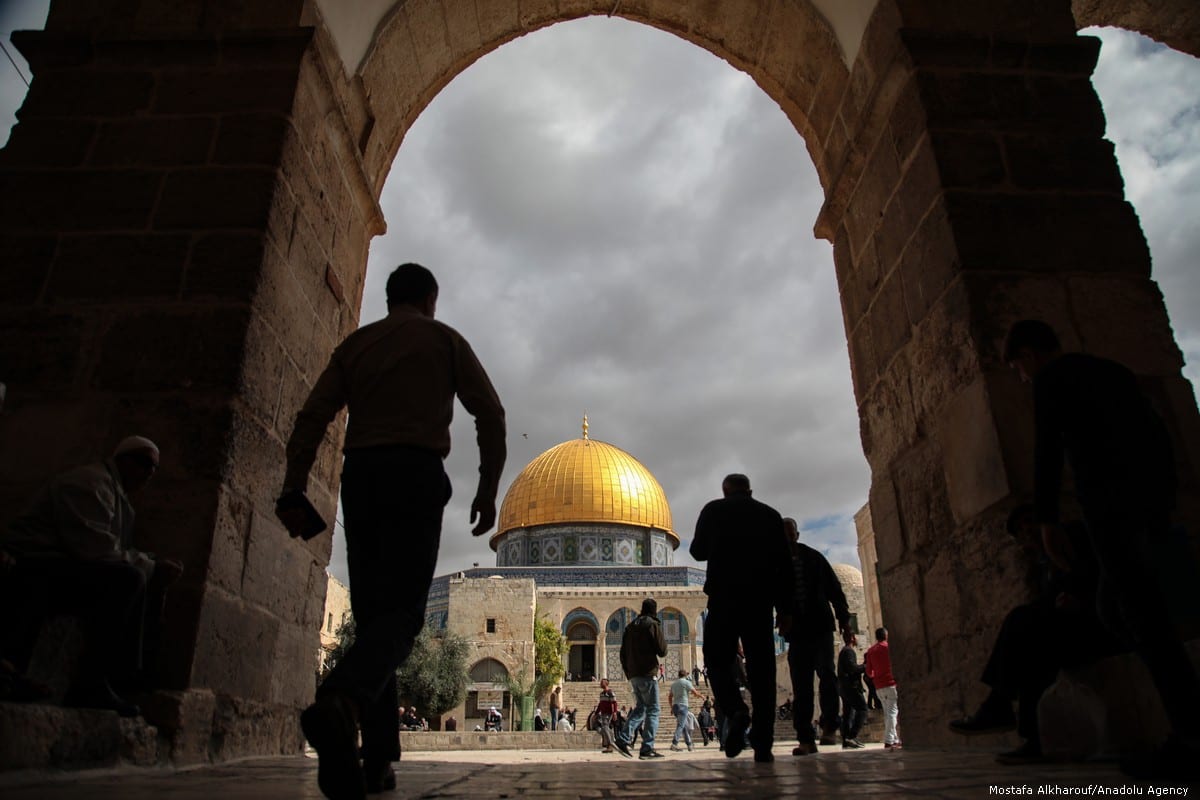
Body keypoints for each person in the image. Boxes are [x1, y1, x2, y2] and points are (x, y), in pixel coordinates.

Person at [281, 263, 506, 800]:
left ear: (388, 298)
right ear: (431, 299)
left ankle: (376, 758)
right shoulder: (443, 340)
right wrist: (486, 487)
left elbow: (312, 416)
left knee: (376, 616)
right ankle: (341, 698)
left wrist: (294, 484)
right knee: (403, 618)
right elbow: (491, 414)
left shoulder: (357, 346)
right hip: (416, 474)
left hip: (361, 477)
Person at [1004, 319, 1200, 776]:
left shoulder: (1052, 379)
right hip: (1149, 508)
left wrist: (1049, 519)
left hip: (1113, 515)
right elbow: (1158, 436)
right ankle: (1178, 721)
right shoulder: (1114, 373)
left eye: (1018, 368)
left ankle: (1190, 735)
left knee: (1144, 621)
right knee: (1117, 612)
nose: (1022, 378)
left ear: (1029, 356)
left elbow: (1047, 450)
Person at [0, 436, 183, 718]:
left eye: (155, 468)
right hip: (32, 564)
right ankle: (93, 682)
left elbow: (110, 547)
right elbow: (95, 548)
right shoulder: (90, 484)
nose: (149, 473)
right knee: (129, 579)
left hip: (56, 564)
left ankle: (123, 677)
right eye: (144, 463)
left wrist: (152, 564)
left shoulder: (115, 494)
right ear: (123, 458)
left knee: (139, 577)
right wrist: (151, 567)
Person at [949, 505, 1120, 764]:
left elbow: (1111, 576)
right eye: (1020, 531)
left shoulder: (1075, 540)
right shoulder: (1046, 563)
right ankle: (1028, 732)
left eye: (1029, 523)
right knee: (1031, 641)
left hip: (1105, 624)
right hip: (1072, 631)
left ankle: (1001, 707)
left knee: (1025, 623)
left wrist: (1084, 600)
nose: (1027, 532)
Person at [690, 473, 794, 762]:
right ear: (750, 490)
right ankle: (763, 744)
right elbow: (784, 566)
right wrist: (785, 610)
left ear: (725, 491)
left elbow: (697, 552)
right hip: (759, 601)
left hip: (724, 598)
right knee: (762, 669)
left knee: (716, 658)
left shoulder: (713, 510)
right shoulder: (770, 515)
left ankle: (735, 710)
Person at [781, 516, 851, 754]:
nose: (788, 538)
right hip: (797, 632)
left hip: (820, 627)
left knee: (828, 677)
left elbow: (834, 590)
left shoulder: (814, 558)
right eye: (784, 534)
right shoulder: (776, 562)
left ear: (797, 535)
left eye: (791, 533)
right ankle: (805, 738)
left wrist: (845, 620)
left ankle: (830, 727)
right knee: (801, 687)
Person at [613, 597, 668, 759]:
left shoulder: (629, 627)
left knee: (641, 708)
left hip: (634, 676)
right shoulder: (652, 624)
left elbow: (622, 654)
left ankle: (623, 739)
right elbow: (662, 650)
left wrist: (629, 673)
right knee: (653, 710)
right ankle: (647, 748)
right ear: (653, 610)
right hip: (647, 673)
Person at [865, 627, 900, 749]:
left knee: (888, 713)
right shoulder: (889, 647)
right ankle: (889, 740)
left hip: (879, 686)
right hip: (891, 683)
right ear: (886, 635)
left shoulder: (870, 651)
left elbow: (869, 672)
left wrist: (877, 676)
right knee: (892, 712)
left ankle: (895, 739)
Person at [837, 632, 867, 749]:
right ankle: (851, 736)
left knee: (848, 713)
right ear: (852, 638)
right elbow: (852, 669)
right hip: (851, 687)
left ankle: (846, 740)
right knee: (863, 709)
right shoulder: (848, 651)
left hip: (844, 687)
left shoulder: (844, 651)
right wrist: (865, 666)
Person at [668, 669, 703, 752]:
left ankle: (689, 744)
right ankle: (674, 743)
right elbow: (695, 693)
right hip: (683, 706)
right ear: (685, 675)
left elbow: (670, 697)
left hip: (675, 706)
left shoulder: (674, 684)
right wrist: (701, 696)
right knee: (681, 725)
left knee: (683, 726)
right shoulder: (686, 682)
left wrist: (671, 707)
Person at [594, 677, 619, 753]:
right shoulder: (602, 694)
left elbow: (614, 703)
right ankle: (609, 745)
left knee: (605, 727)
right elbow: (600, 704)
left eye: (602, 682)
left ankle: (611, 744)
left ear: (606, 683)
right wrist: (596, 713)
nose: (600, 684)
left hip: (608, 713)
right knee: (606, 728)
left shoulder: (610, 692)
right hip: (603, 713)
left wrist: (614, 712)